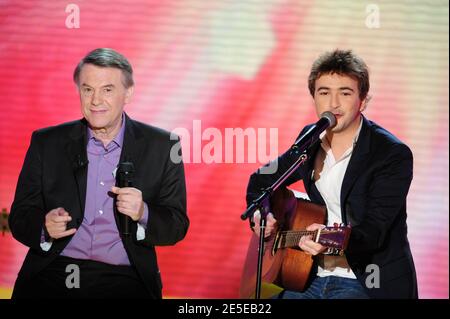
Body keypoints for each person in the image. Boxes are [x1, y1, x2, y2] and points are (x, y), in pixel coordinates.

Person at [9, 48, 189, 299]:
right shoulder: (47, 142)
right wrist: (44, 226)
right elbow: (19, 216)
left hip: (125, 277)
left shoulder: (164, 146)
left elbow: (177, 225)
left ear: (128, 93)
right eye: (87, 89)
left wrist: (142, 213)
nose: (95, 101)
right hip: (54, 271)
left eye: (107, 89)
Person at [246, 49, 417, 299]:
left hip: (366, 280)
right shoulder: (310, 140)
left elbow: (373, 232)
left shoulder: (390, 154)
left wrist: (329, 238)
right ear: (314, 97)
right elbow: (261, 180)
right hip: (310, 277)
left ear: (363, 100)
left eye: (345, 93)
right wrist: (263, 214)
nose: (333, 103)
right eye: (324, 92)